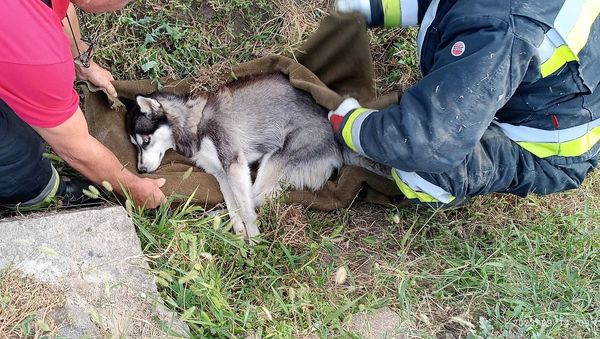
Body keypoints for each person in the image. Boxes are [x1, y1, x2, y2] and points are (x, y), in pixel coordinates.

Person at [330, 0, 600, 206]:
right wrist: (365, 8)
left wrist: (350, 124)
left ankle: (433, 183)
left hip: (547, 148)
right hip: (546, 94)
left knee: (422, 170)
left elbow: (428, 142)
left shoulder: (503, 27)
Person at [0, 0, 166, 209]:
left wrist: (83, 62)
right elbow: (75, 148)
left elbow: (60, 6)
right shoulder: (39, 58)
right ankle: (46, 195)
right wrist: (133, 188)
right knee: (15, 156)